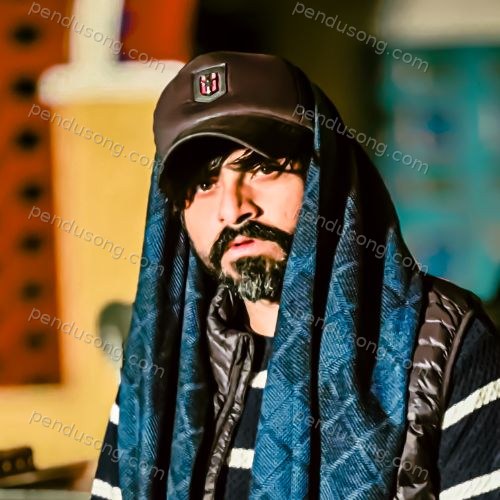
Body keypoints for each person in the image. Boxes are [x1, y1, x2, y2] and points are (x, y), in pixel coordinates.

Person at [91, 52, 500, 500]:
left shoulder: (443, 347)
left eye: (263, 167)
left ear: (328, 177)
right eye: (204, 184)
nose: (233, 209)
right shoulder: (159, 368)